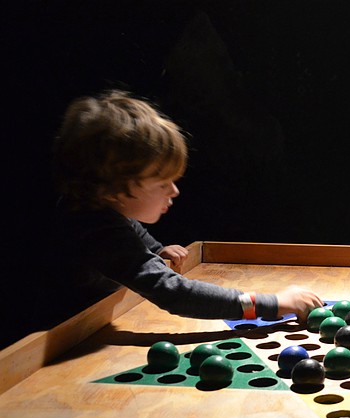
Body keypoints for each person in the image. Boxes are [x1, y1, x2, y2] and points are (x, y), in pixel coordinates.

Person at [40, 90, 323, 329]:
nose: (174, 191)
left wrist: (156, 250)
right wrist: (272, 303)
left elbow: (130, 230)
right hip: (64, 341)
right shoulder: (96, 230)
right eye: (163, 183)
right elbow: (173, 293)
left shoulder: (97, 210)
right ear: (114, 188)